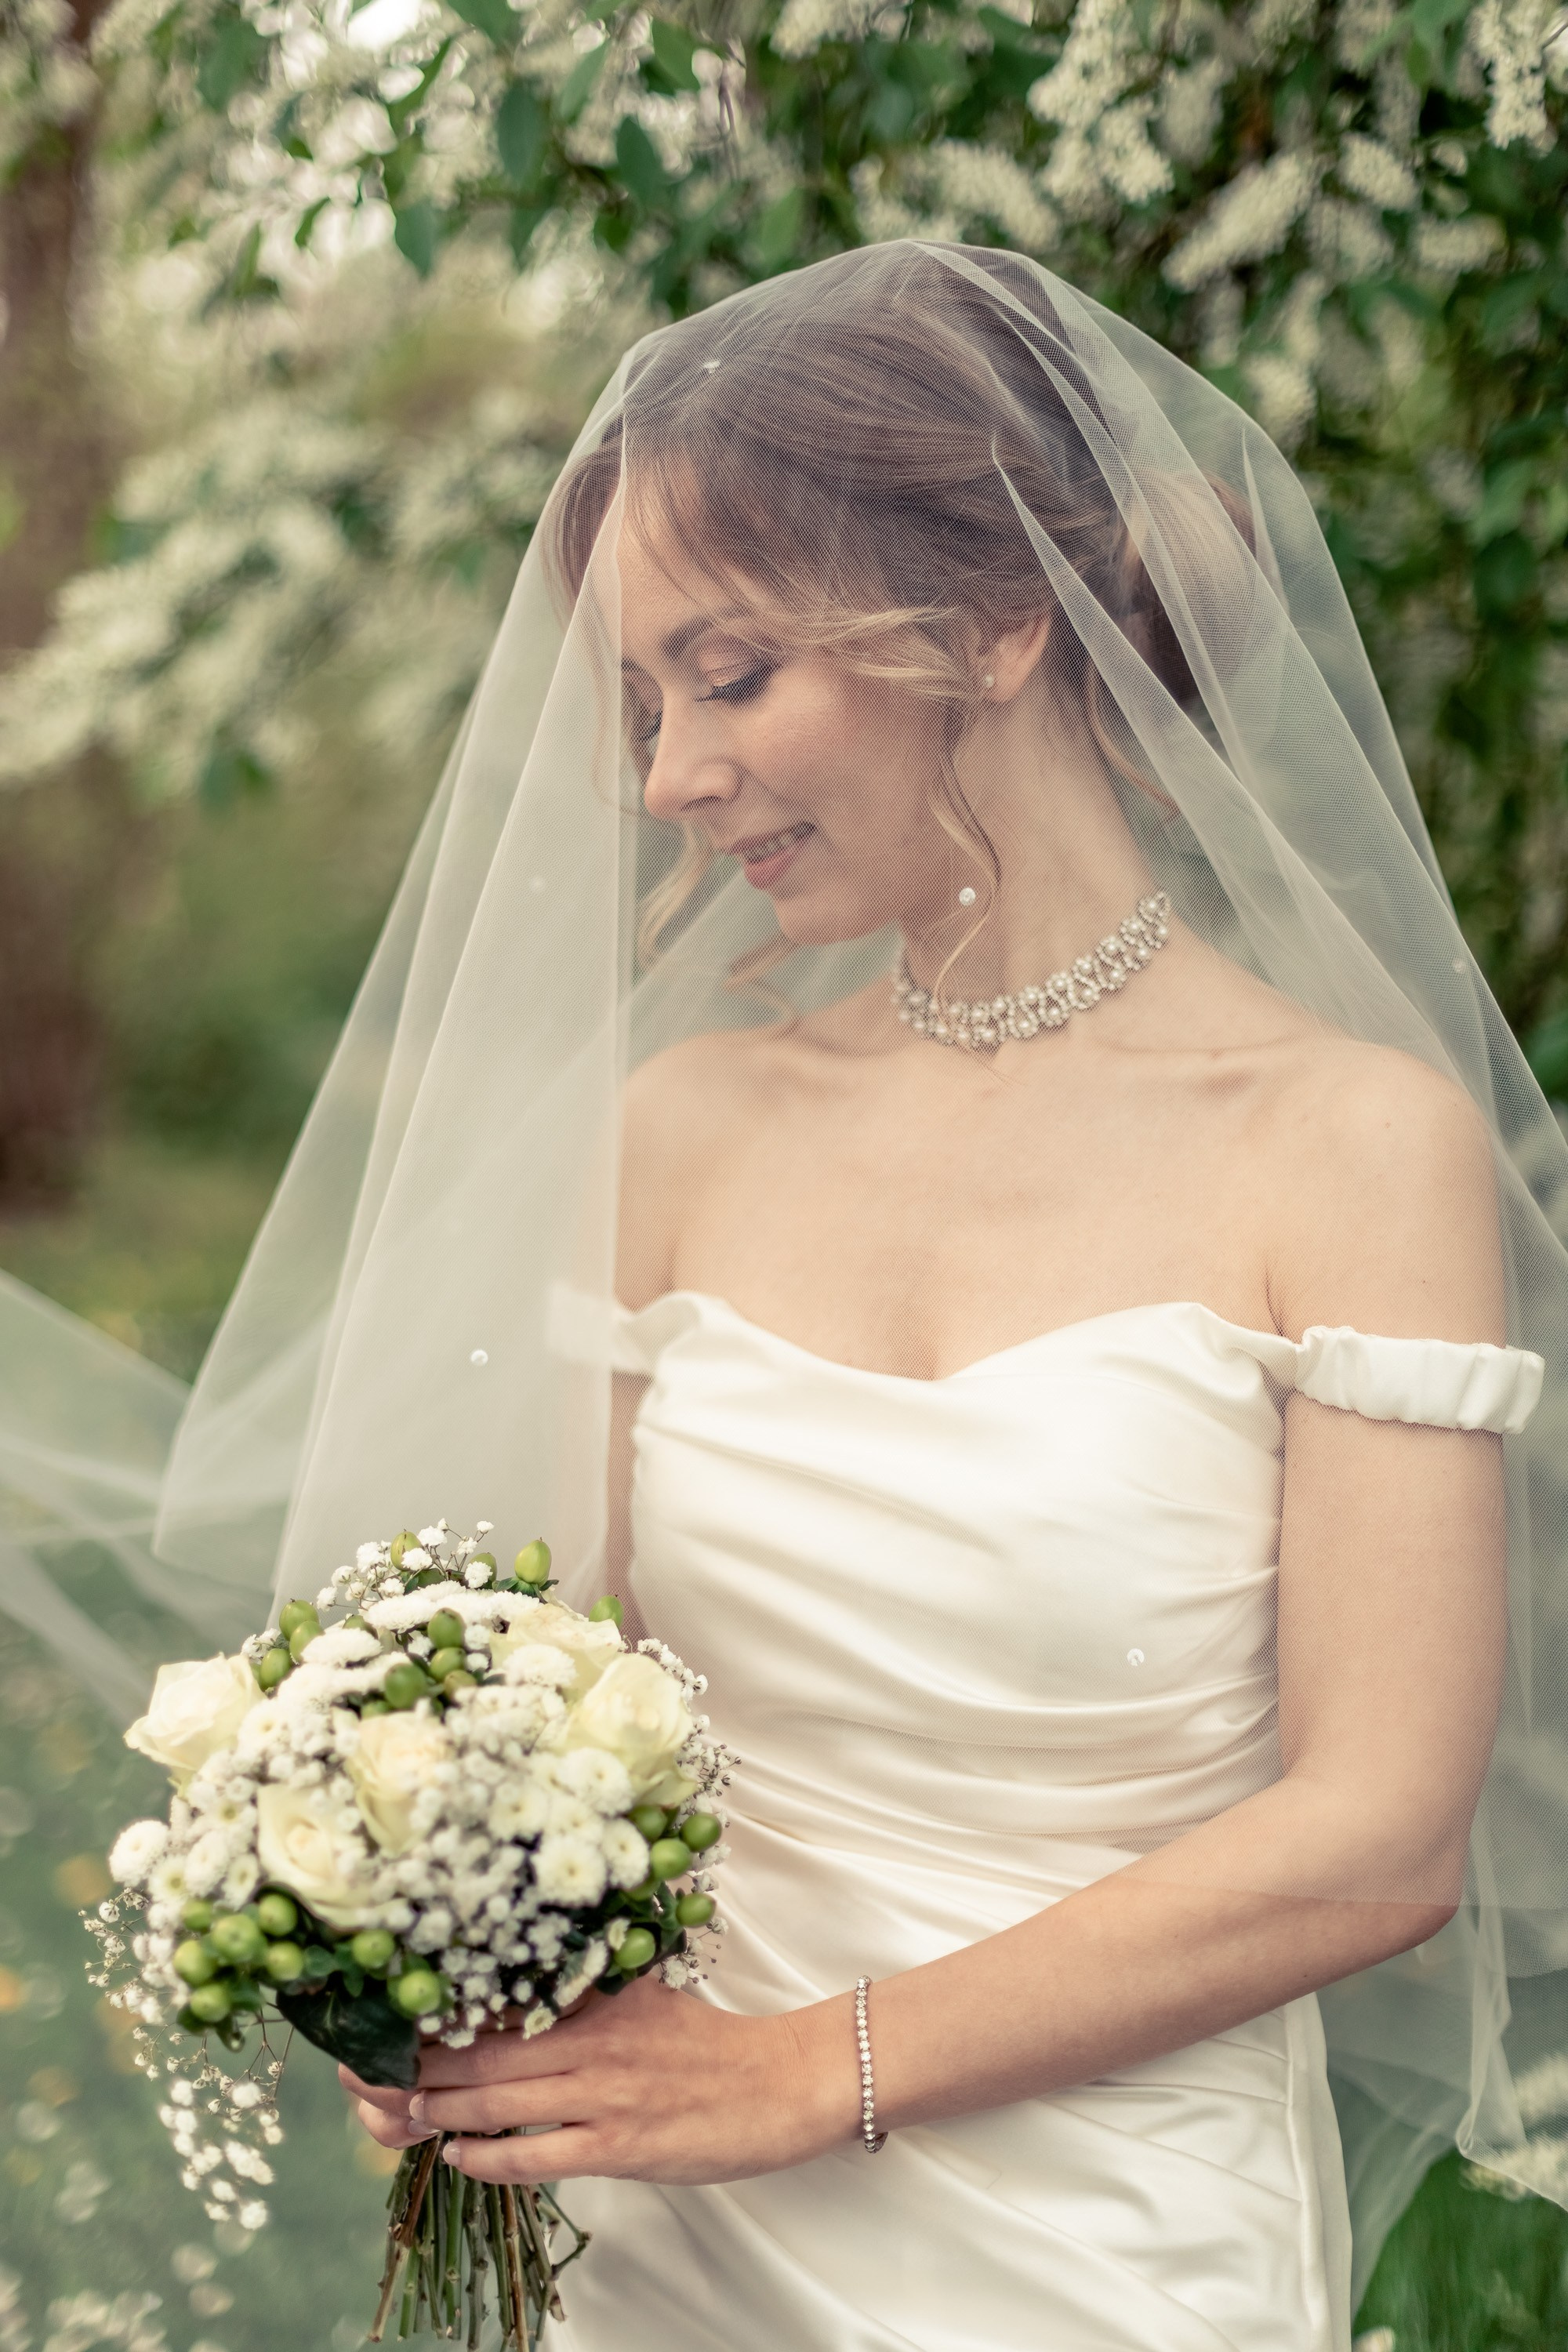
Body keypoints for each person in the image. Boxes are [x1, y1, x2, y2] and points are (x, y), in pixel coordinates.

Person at [324, 247, 1556, 2352]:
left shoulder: (1353, 1147)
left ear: (995, 623)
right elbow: (561, 1690)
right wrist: (443, 1960)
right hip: (670, 2233)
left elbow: (1375, 1841)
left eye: (730, 675)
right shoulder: (680, 1134)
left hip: (1109, 2246)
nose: (668, 778)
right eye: (645, 705)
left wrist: (809, 2075)